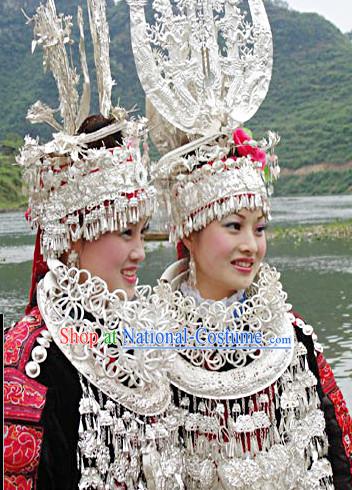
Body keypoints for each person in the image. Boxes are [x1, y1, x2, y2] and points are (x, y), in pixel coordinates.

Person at [126, 0, 352, 487]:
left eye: (260, 227)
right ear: (189, 229)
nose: (251, 244)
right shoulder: (146, 342)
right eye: (233, 226)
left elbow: (338, 458)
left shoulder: (293, 339)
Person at [4, 1, 173, 488]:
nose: (140, 252)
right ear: (75, 236)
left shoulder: (141, 335)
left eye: (142, 233)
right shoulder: (29, 355)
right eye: (124, 231)